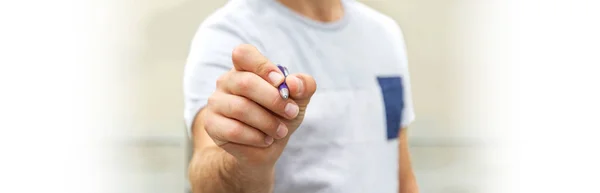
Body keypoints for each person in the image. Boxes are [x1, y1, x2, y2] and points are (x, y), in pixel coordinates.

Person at [183, 0, 418, 192]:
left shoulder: (385, 33)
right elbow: (206, 178)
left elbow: (401, 175)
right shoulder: (226, 34)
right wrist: (245, 163)